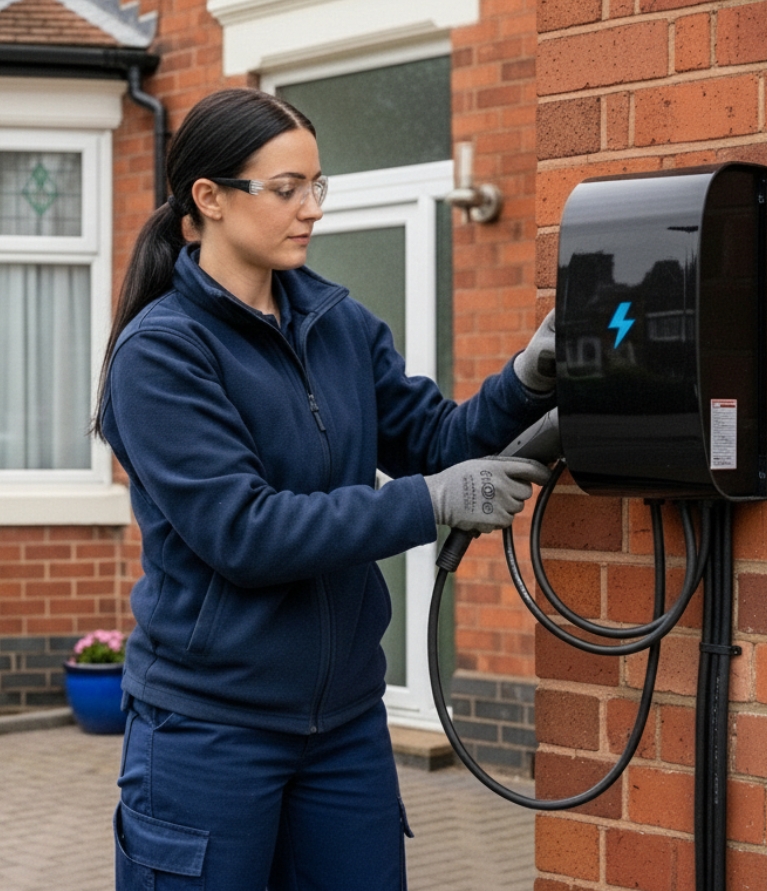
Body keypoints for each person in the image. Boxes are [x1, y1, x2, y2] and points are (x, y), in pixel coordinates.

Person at [94, 87, 556, 891]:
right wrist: (432, 502)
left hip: (342, 726)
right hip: (210, 730)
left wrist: (525, 377)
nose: (310, 208)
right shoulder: (162, 354)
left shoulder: (336, 322)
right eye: (285, 189)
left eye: (317, 184)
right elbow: (245, 532)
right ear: (208, 198)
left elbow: (436, 440)